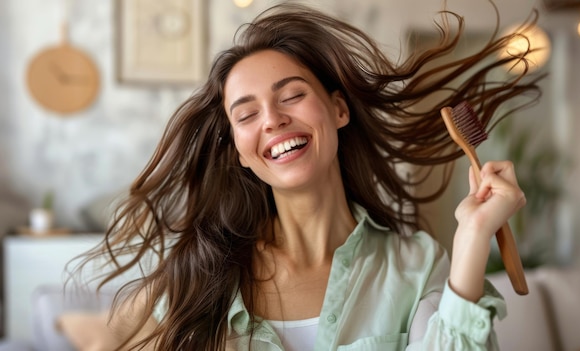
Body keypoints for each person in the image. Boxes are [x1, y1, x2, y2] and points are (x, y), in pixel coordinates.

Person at [72, 2, 542, 350]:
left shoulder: (414, 266)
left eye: (291, 95)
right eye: (247, 113)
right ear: (239, 150)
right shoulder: (197, 275)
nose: (272, 119)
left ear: (338, 109)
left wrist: (475, 235)